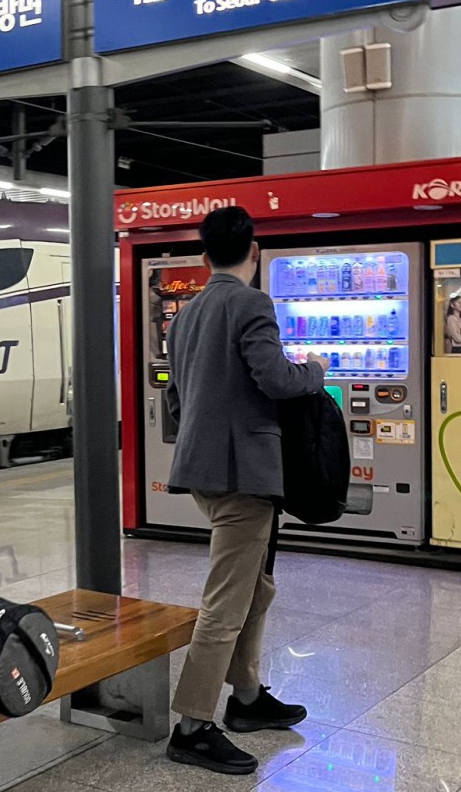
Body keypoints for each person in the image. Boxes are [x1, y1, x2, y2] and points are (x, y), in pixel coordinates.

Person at [163, 207, 328, 776]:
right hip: (243, 477)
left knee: (256, 589)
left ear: (205, 259)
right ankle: (190, 726)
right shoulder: (252, 303)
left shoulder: (184, 316)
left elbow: (174, 400)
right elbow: (276, 379)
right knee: (225, 605)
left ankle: (249, 697)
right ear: (254, 252)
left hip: (204, 472)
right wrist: (315, 369)